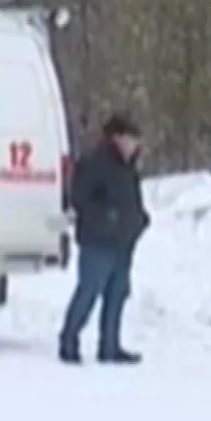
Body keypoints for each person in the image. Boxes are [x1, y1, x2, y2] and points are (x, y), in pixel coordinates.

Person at [58, 114, 150, 365]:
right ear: (116, 138)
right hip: (98, 241)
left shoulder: (128, 168)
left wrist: (140, 219)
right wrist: (107, 217)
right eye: (132, 140)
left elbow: (131, 199)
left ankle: (110, 346)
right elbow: (79, 198)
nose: (135, 145)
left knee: (117, 294)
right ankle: (69, 340)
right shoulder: (94, 162)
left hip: (122, 242)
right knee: (89, 291)